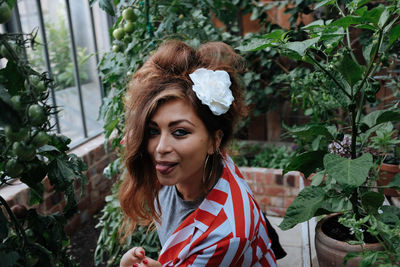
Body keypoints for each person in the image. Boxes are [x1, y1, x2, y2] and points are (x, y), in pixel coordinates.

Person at [119, 40, 283, 267]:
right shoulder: (195, 161)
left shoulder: (225, 235)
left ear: (215, 141)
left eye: (180, 132)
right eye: (153, 131)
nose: (160, 148)